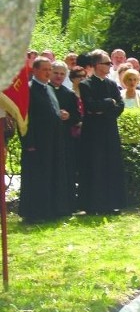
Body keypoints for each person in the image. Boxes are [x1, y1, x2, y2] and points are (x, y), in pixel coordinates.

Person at [18, 57, 71, 223]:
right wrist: (29, 142)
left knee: (53, 174)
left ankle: (53, 208)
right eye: (45, 69)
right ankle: (35, 212)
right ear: (34, 70)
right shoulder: (28, 89)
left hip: (53, 140)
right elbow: (24, 118)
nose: (48, 73)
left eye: (50, 69)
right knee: (38, 177)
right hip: (37, 142)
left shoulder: (49, 88)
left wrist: (61, 114)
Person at [78, 49, 127, 214]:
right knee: (94, 164)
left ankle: (111, 203)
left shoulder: (112, 84)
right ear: (96, 65)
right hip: (93, 132)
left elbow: (120, 106)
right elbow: (91, 106)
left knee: (111, 164)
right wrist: (108, 103)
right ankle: (93, 204)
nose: (109, 66)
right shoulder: (86, 84)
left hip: (109, 129)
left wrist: (104, 109)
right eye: (106, 63)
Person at [50, 61, 83, 209]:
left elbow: (77, 117)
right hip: (48, 139)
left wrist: (69, 115)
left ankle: (67, 205)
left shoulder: (68, 94)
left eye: (62, 74)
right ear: (50, 72)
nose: (58, 76)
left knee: (66, 171)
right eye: (56, 73)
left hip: (65, 138)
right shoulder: (44, 90)